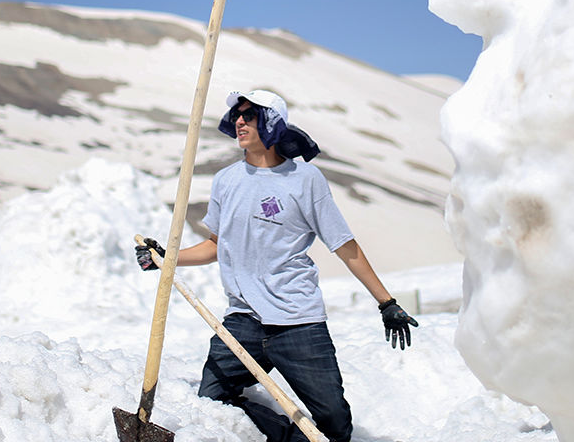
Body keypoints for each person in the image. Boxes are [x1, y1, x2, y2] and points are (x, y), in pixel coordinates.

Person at [135, 88, 418, 442]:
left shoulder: (305, 180)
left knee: (333, 424)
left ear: (271, 124)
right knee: (213, 401)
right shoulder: (226, 180)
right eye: (237, 115)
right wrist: (166, 259)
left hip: (298, 322)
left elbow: (345, 246)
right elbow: (216, 246)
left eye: (249, 115)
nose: (238, 121)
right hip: (242, 321)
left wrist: (386, 303)